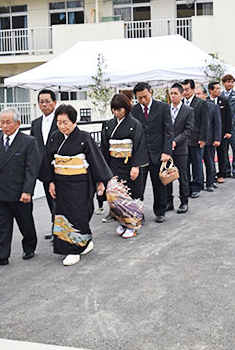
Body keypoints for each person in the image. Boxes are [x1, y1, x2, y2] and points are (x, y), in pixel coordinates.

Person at [43, 104, 113, 266]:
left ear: (74, 122)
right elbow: (47, 161)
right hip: (60, 183)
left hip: (80, 184)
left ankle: (75, 249)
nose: (62, 126)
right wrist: (50, 182)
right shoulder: (54, 137)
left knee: (79, 215)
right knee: (61, 215)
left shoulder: (84, 137)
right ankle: (79, 245)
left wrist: (100, 181)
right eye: (59, 122)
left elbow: (96, 161)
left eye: (65, 122)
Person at [0, 108, 39, 268]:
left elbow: (31, 168)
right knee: (0, 225)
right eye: (2, 122)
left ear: (17, 123)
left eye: (8, 122)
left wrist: (27, 190)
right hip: (1, 190)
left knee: (25, 222)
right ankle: (0, 255)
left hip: (20, 191)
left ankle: (29, 246)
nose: (4, 125)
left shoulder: (28, 141)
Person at [101, 94, 148, 238]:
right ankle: (122, 222)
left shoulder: (135, 124)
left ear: (126, 108)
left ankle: (132, 225)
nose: (117, 113)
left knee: (132, 195)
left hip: (130, 163)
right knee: (117, 195)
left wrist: (136, 166)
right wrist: (105, 167)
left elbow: (139, 146)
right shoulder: (109, 124)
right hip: (114, 164)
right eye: (114, 110)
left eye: (120, 109)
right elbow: (104, 147)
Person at [131, 82, 173, 223]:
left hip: (158, 153)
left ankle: (160, 211)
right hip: (140, 155)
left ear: (151, 92)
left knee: (159, 185)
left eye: (145, 97)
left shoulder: (163, 107)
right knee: (138, 186)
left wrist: (167, 151)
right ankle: (138, 213)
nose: (143, 100)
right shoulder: (134, 110)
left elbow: (168, 131)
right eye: (139, 98)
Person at [30, 89, 58, 240]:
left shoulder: (61, 120)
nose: (44, 105)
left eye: (47, 101)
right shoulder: (35, 123)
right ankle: (55, 226)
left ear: (55, 102)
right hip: (44, 168)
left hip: (60, 166)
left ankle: (60, 229)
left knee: (60, 200)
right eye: (41, 102)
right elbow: (32, 145)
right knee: (49, 198)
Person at [166, 83, 194, 213]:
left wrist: (176, 141)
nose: (173, 96)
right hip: (166, 149)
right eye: (171, 93)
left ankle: (184, 201)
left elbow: (188, 130)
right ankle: (168, 202)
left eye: (176, 93)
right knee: (166, 176)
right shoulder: (165, 109)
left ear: (182, 95)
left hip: (181, 148)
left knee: (183, 176)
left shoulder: (188, 111)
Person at [182, 79, 209, 195]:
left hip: (196, 138)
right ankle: (186, 186)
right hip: (183, 140)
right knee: (184, 165)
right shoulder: (180, 103)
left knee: (197, 164)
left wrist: (203, 138)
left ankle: (197, 187)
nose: (185, 92)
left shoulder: (201, 103)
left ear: (193, 89)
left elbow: (205, 122)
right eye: (183, 90)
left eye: (187, 90)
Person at [197, 85, 221, 191]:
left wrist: (217, 138)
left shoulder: (213, 106)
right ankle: (199, 183)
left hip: (210, 139)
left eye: (199, 94)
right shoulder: (193, 107)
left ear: (205, 94)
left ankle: (210, 182)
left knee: (210, 161)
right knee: (197, 163)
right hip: (197, 139)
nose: (197, 96)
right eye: (196, 94)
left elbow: (217, 124)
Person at [221, 74, 235, 178]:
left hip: (234, 126)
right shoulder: (220, 95)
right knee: (224, 149)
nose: (229, 84)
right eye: (227, 82)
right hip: (223, 126)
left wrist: (231, 121)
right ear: (223, 83)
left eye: (231, 82)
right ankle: (226, 169)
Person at [209, 81, 232, 184]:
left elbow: (228, 117)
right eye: (216, 89)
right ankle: (211, 175)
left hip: (222, 132)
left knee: (222, 153)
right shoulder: (206, 101)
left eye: (219, 89)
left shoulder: (224, 101)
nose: (218, 91)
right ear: (210, 90)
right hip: (209, 132)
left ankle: (222, 173)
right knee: (209, 155)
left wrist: (228, 131)